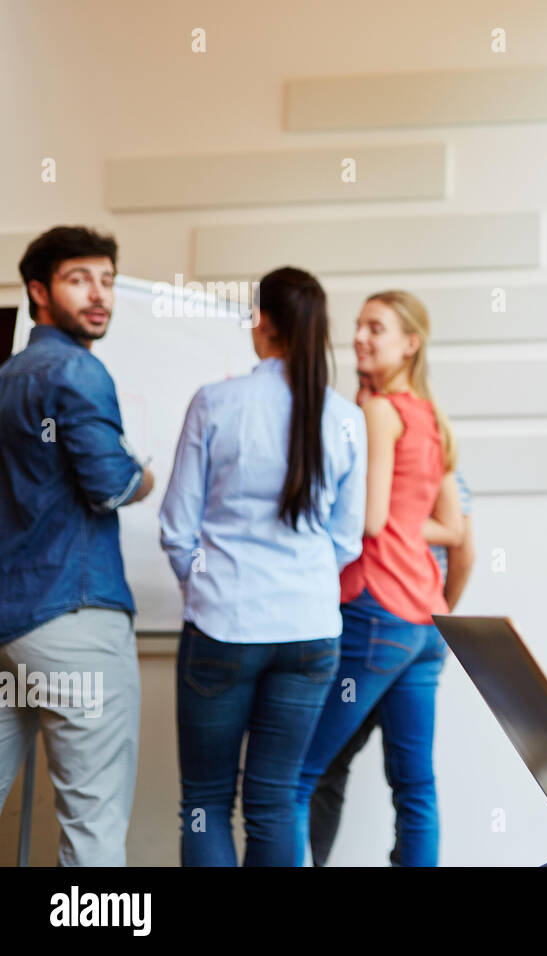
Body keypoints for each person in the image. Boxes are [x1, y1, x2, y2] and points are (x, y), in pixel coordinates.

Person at [159, 266, 367, 866]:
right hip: (309, 632)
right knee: (274, 802)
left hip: (221, 627)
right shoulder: (346, 418)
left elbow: (177, 528)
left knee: (204, 799)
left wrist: (204, 591)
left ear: (264, 323)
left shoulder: (215, 402)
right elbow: (346, 541)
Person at [0, 226, 155, 866]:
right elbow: (109, 486)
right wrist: (142, 474)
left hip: (10, 628)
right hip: (76, 621)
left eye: (107, 280)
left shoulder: (7, 374)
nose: (99, 295)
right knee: (92, 830)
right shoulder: (77, 369)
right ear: (38, 291)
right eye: (78, 279)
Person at [296, 290, 462, 867]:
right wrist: (403, 526)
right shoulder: (429, 415)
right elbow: (453, 527)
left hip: (375, 610)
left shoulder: (378, 410)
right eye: (359, 325)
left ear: (409, 343)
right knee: (415, 787)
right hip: (423, 622)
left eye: (377, 328)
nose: (360, 336)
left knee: (301, 774)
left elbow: (366, 519)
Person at [308, 468, 475, 867]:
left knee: (313, 773)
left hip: (369, 633)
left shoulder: (367, 476)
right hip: (424, 633)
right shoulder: (445, 470)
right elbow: (465, 553)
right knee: (415, 785)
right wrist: (437, 612)